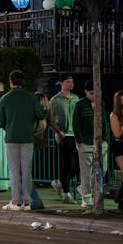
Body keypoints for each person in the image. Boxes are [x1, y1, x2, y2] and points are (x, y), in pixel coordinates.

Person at [0, 70, 46, 211]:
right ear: (23, 82)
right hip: (28, 137)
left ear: (10, 81)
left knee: (13, 170)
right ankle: (27, 202)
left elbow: (1, 122)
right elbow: (40, 114)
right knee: (26, 170)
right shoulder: (31, 97)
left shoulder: (4, 99)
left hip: (12, 137)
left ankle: (15, 202)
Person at [72, 81, 108, 209]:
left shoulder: (101, 103)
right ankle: (86, 197)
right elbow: (76, 123)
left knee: (102, 169)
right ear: (86, 92)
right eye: (92, 93)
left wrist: (106, 139)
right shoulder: (80, 104)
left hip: (100, 142)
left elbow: (104, 120)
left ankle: (89, 190)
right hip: (85, 142)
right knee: (86, 172)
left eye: (96, 93)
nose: (94, 96)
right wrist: (79, 140)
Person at [49, 75, 80, 203]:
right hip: (63, 135)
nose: (71, 84)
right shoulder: (55, 100)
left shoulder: (75, 98)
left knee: (78, 164)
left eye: (72, 81)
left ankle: (60, 183)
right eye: (68, 82)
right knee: (68, 163)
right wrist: (58, 132)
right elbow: (50, 119)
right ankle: (66, 194)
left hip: (76, 135)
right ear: (61, 83)